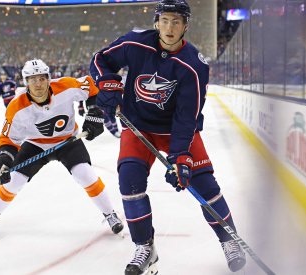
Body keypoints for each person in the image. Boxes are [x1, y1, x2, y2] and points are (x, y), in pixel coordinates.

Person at [89, 0, 246, 274]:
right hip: (138, 127)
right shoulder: (136, 43)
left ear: (185, 26)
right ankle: (145, 247)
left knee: (204, 184)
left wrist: (180, 156)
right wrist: (108, 82)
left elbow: (186, 117)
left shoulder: (194, 66)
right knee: (130, 182)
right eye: (164, 20)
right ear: (156, 22)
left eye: (176, 21)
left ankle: (229, 240)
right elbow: (100, 60)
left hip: (177, 130)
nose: (169, 27)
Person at [0, 58, 124, 236]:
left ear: (48, 78)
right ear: (26, 82)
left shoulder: (66, 86)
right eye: (32, 79)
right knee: (13, 181)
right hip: (35, 144)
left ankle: (110, 213)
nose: (38, 83)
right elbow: (9, 139)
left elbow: (92, 87)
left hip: (68, 140)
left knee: (86, 175)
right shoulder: (16, 107)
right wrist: (4, 159)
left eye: (42, 78)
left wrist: (93, 111)